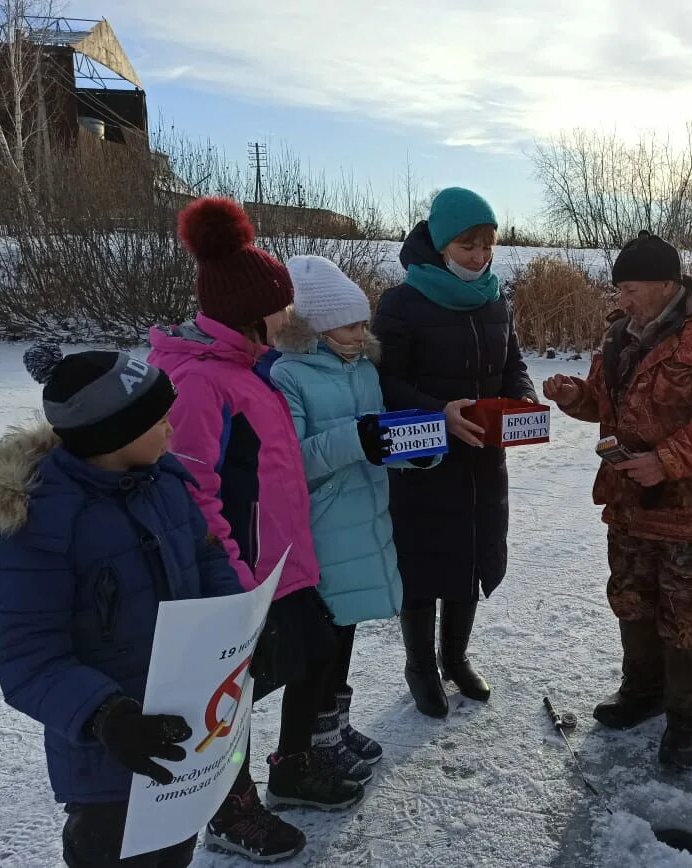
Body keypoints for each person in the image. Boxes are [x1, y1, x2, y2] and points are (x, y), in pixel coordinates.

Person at [0, 346, 242, 867]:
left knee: (175, 849)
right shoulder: (44, 523)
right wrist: (104, 715)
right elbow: (25, 654)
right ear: (114, 433)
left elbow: (206, 555)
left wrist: (238, 629)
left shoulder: (167, 482)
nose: (172, 429)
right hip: (105, 756)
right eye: (158, 420)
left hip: (182, 731)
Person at [148, 198, 361, 863]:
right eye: (279, 306)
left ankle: (294, 765)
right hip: (235, 575)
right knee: (228, 692)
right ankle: (230, 807)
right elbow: (190, 489)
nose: (288, 316)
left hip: (281, 564)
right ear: (251, 313)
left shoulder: (247, 370)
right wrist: (231, 578)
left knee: (316, 650)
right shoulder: (200, 382)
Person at [544, 231, 692, 769]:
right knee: (631, 596)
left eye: (632, 288)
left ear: (669, 284)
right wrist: (575, 396)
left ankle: (691, 717)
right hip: (629, 501)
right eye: (619, 289)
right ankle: (642, 693)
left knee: (690, 609)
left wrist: (667, 459)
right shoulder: (620, 335)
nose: (622, 300)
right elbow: (603, 403)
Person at [271, 255, 438, 779]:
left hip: (366, 518)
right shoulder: (287, 374)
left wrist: (416, 448)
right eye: (350, 324)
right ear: (316, 324)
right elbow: (291, 460)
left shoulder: (365, 368)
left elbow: (379, 435)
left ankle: (335, 723)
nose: (361, 333)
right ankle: (311, 739)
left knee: (344, 635)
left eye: (364, 322)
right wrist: (359, 439)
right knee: (322, 639)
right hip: (320, 528)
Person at [373, 187, 536, 718]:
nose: (480, 256)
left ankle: (455, 658)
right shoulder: (402, 303)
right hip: (425, 462)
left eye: (488, 245)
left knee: (471, 558)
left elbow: (514, 364)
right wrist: (437, 412)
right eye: (468, 245)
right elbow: (384, 381)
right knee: (423, 566)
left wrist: (524, 398)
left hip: (484, 459)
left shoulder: (493, 298)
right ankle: (420, 665)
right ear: (442, 244)